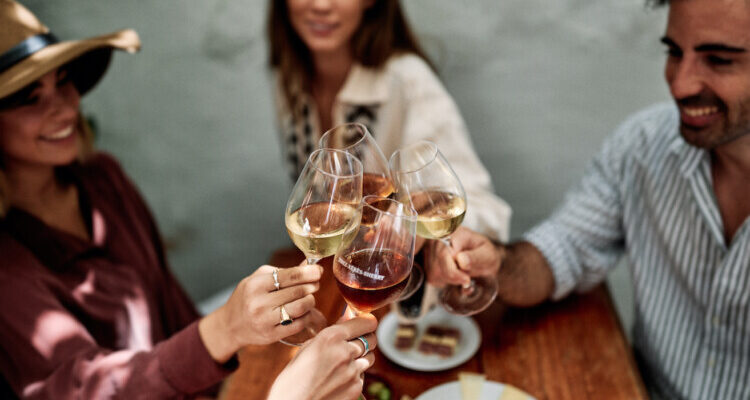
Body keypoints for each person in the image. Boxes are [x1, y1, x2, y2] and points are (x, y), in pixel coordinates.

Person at [0, 1, 376, 399]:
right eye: (29, 98)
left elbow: (168, 300)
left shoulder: (102, 180)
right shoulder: (8, 268)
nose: (63, 106)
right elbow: (82, 389)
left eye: (63, 81)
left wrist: (236, 356)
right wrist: (227, 328)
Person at [427, 0, 750, 398]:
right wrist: (495, 262)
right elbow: (564, 249)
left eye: (718, 60)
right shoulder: (642, 147)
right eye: (673, 52)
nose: (680, 84)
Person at [267, 0, 512, 243]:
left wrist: (415, 230)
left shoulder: (408, 83)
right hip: (337, 275)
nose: (320, 5)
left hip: (403, 276)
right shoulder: (289, 80)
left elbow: (486, 212)